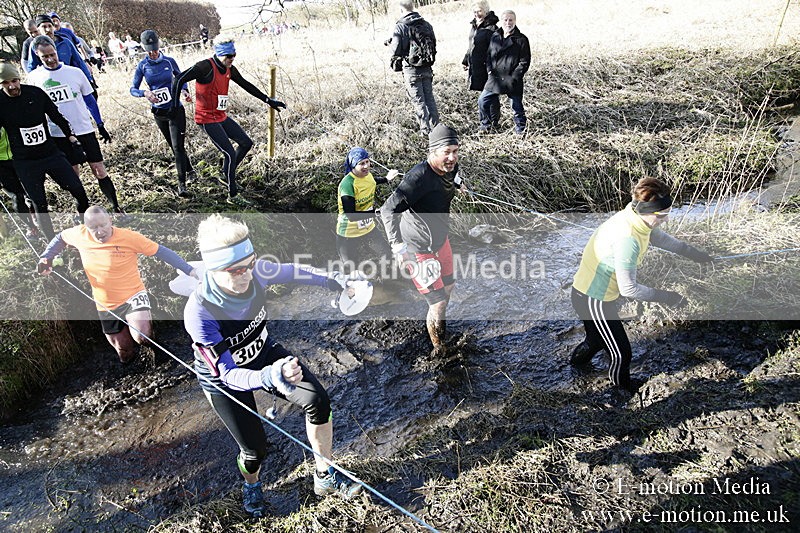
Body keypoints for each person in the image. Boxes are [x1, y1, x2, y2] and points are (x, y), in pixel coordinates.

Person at [183, 214, 362, 517]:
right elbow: (227, 373)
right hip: (225, 380)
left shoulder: (257, 272)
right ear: (213, 269)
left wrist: (336, 280)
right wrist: (270, 375)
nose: (246, 275)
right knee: (255, 451)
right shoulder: (200, 312)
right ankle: (251, 485)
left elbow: (296, 271)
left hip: (263, 352)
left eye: (250, 264)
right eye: (235, 270)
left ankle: (324, 475)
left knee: (318, 401)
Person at [570, 177, 714, 396]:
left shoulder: (636, 217)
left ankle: (575, 369)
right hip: (593, 299)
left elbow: (662, 239)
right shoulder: (628, 239)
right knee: (621, 354)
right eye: (662, 215)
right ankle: (621, 393)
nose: (666, 219)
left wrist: (694, 254)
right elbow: (629, 289)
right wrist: (668, 297)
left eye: (667, 213)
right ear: (648, 211)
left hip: (587, 292)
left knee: (596, 341)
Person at [38, 205, 196, 363]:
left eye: (103, 225)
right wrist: (46, 258)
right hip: (105, 304)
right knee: (124, 353)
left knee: (142, 336)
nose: (100, 232)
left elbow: (160, 251)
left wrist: (189, 270)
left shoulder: (129, 237)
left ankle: (162, 354)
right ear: (86, 227)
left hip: (133, 295)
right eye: (93, 228)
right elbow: (60, 238)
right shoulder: (79, 234)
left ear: (110, 221)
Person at [172, 36, 286, 206]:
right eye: (229, 56)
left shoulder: (229, 69)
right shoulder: (204, 67)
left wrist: (268, 100)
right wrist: (175, 107)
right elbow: (178, 79)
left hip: (221, 116)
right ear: (219, 54)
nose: (232, 59)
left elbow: (245, 84)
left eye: (234, 55)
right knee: (229, 153)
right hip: (206, 119)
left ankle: (226, 173)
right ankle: (232, 195)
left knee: (246, 143)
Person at [379, 124, 462, 357]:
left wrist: (459, 183)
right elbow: (387, 210)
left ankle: (439, 326)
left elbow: (454, 175)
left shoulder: (451, 167)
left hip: (441, 241)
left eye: (456, 151)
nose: (452, 157)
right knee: (437, 302)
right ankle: (439, 349)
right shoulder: (418, 178)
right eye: (447, 152)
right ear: (433, 151)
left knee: (448, 288)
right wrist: (398, 248)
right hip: (418, 248)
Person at [29, 36, 129, 222]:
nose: (50, 59)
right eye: (45, 57)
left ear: (56, 51)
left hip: (83, 129)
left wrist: (100, 124)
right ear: (37, 56)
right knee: (73, 176)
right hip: (58, 134)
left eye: (52, 54)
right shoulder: (35, 77)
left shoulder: (75, 72)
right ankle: (83, 213)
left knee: (99, 169)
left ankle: (116, 207)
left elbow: (90, 101)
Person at [0, 62, 89, 240]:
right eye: (5, 83)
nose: (11, 86)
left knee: (78, 189)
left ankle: (86, 228)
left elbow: (56, 116)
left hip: (50, 154)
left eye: (14, 81)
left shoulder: (35, 93)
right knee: (39, 204)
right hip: (25, 161)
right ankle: (52, 244)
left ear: (19, 78)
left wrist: (71, 136)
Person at [131, 29, 195, 197]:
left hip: (175, 110)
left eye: (155, 49)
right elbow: (133, 89)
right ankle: (190, 169)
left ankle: (182, 184)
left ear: (159, 45)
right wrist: (145, 93)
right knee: (174, 146)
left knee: (178, 146)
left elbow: (181, 78)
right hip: (159, 112)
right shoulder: (142, 66)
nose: (153, 53)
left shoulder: (169, 61)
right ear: (144, 48)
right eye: (149, 50)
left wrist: (185, 91)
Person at [336, 147, 398, 271]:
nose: (366, 166)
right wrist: (375, 213)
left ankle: (389, 280)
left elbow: (371, 182)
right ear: (353, 165)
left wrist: (387, 179)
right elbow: (351, 216)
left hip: (368, 228)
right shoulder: (347, 184)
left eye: (367, 162)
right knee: (350, 269)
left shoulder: (367, 175)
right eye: (361, 164)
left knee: (387, 256)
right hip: (348, 233)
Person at [387, 0, 439, 135]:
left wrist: (391, 44)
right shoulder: (426, 24)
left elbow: (395, 51)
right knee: (430, 100)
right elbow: (433, 44)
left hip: (411, 70)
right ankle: (437, 129)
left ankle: (425, 131)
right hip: (427, 68)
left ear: (401, 10)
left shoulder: (400, 26)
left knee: (419, 101)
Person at [479, 10, 530, 134]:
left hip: (512, 79)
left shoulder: (521, 39)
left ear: (515, 21)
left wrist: (514, 77)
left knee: (516, 107)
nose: (508, 23)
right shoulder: (495, 36)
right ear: (501, 21)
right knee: (482, 101)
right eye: (505, 20)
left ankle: (521, 130)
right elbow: (489, 55)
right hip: (495, 78)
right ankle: (486, 126)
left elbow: (524, 62)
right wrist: (489, 71)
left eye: (511, 20)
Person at [27, 15, 95, 94]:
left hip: (69, 80)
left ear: (53, 27)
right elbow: (31, 68)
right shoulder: (34, 45)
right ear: (38, 29)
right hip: (50, 85)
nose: (48, 29)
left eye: (50, 26)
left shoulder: (65, 42)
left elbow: (79, 62)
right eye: (44, 27)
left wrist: (89, 80)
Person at [462, 2, 499, 123]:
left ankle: (491, 123)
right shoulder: (474, 26)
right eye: (475, 12)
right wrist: (466, 60)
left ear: (486, 11)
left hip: (487, 67)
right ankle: (488, 122)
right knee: (485, 94)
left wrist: (492, 67)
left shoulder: (492, 28)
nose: (477, 14)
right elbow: (471, 46)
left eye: (479, 11)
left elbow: (496, 50)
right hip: (476, 65)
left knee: (490, 95)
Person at [0, 127, 38, 237]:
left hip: (19, 156)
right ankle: (30, 226)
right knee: (17, 196)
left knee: (31, 189)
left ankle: (35, 215)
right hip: (1, 164)